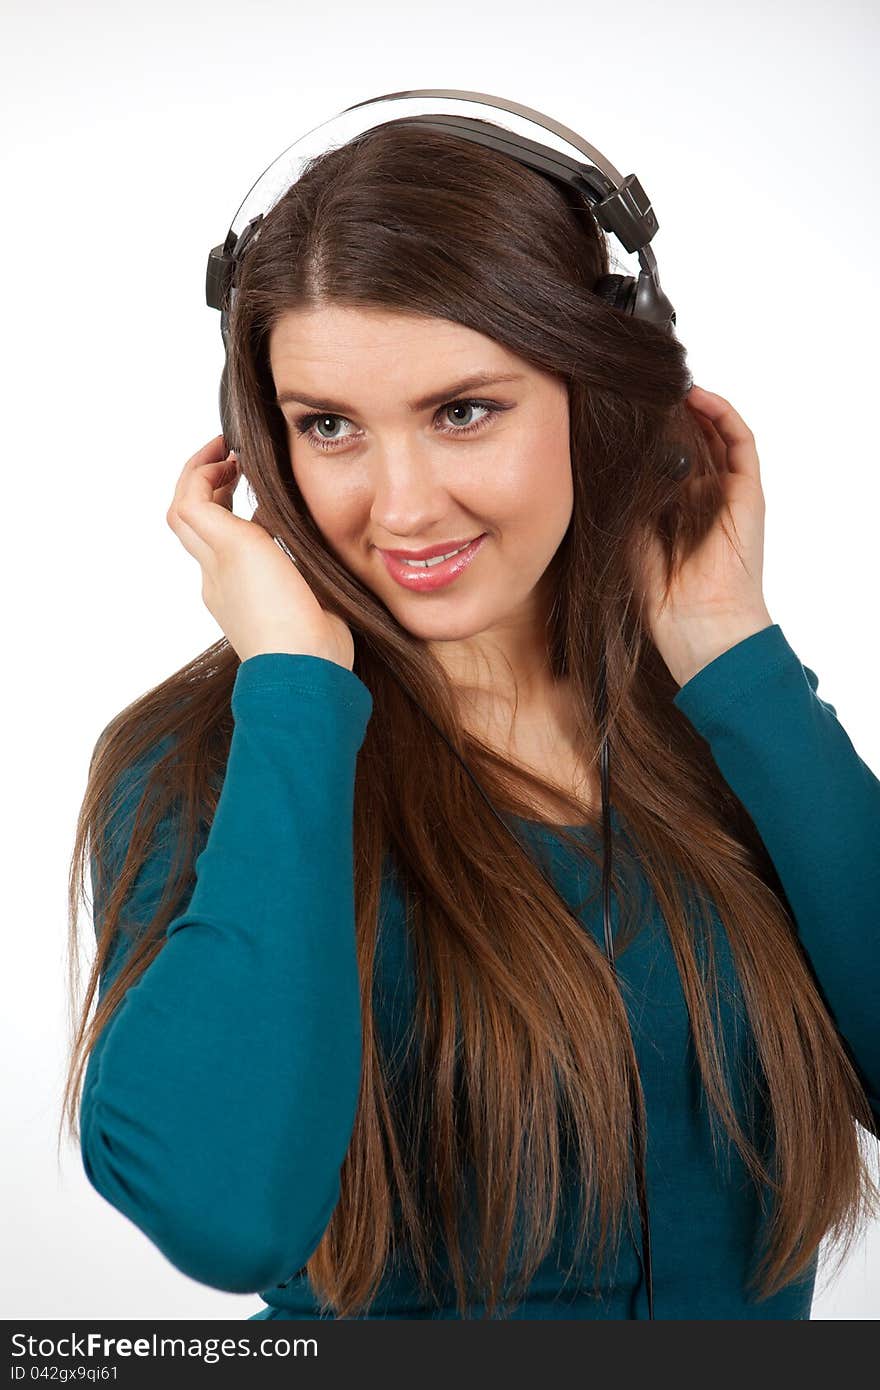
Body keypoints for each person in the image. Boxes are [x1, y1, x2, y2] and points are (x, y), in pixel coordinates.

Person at [62, 118, 880, 1320]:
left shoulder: (725, 734)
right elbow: (226, 1211)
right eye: (328, 425)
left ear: (593, 395)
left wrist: (732, 652)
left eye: (462, 412)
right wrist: (291, 683)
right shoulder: (207, 769)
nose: (400, 508)